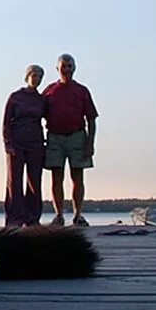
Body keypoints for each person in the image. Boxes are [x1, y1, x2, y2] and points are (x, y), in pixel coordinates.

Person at [42, 54, 98, 227]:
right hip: (55, 137)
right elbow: (37, 114)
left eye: (70, 66)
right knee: (56, 177)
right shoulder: (49, 90)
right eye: (64, 66)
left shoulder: (82, 91)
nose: (67, 69)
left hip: (77, 136)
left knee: (77, 176)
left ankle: (78, 215)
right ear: (57, 68)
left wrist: (90, 142)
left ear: (75, 68)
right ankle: (59, 215)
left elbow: (91, 118)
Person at [1, 64, 48, 227]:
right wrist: (8, 143)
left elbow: (50, 120)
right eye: (34, 75)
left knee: (34, 181)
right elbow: (6, 122)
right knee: (14, 181)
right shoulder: (15, 97)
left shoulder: (41, 100)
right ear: (27, 76)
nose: (37, 79)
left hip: (35, 143)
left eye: (40, 77)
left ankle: (33, 218)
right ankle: (14, 218)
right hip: (16, 143)